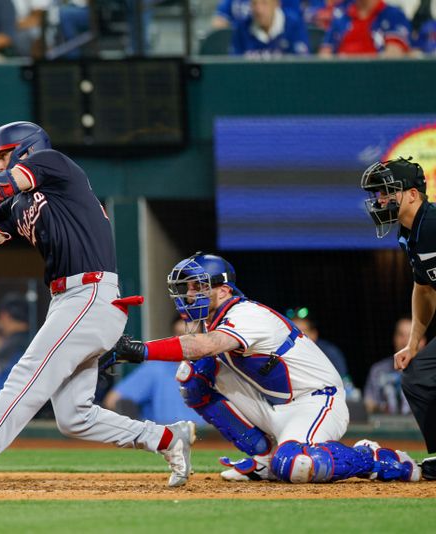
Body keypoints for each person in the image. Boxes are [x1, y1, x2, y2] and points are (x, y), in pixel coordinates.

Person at [0, 120, 195, 488]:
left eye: (3, 156)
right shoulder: (18, 203)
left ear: (26, 148)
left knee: (25, 377)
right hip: (70, 300)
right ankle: (168, 438)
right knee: (74, 417)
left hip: (89, 293)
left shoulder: (51, 162)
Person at [103, 252, 421, 483]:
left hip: (316, 401)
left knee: (295, 465)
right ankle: (264, 456)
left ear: (224, 290)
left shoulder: (246, 314)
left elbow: (208, 345)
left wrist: (139, 350)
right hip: (274, 403)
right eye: (186, 288)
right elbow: (201, 354)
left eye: (198, 287)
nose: (190, 294)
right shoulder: (211, 321)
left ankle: (371, 458)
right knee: (192, 375)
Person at [361, 158, 436, 469]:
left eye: (387, 192)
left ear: (413, 195)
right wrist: (413, 342)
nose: (380, 200)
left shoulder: (433, 224)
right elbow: (425, 289)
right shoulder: (408, 234)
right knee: (417, 378)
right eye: (378, 193)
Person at [102, 318, 205, 425]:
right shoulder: (157, 368)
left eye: (192, 337)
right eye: (180, 337)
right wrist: (139, 429)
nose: (186, 345)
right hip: (166, 438)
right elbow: (112, 400)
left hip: (212, 439)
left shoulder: (215, 368)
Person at [318, 0, 410, 56]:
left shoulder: (394, 15)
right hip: (341, 78)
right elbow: (325, 55)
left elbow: (393, 57)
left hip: (375, 80)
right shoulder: (341, 17)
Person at [230, 0, 310, 56]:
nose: (259, 10)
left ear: (276, 4)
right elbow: (234, 67)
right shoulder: (242, 28)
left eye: (264, 3)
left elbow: (301, 67)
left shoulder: (294, 25)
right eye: (254, 3)